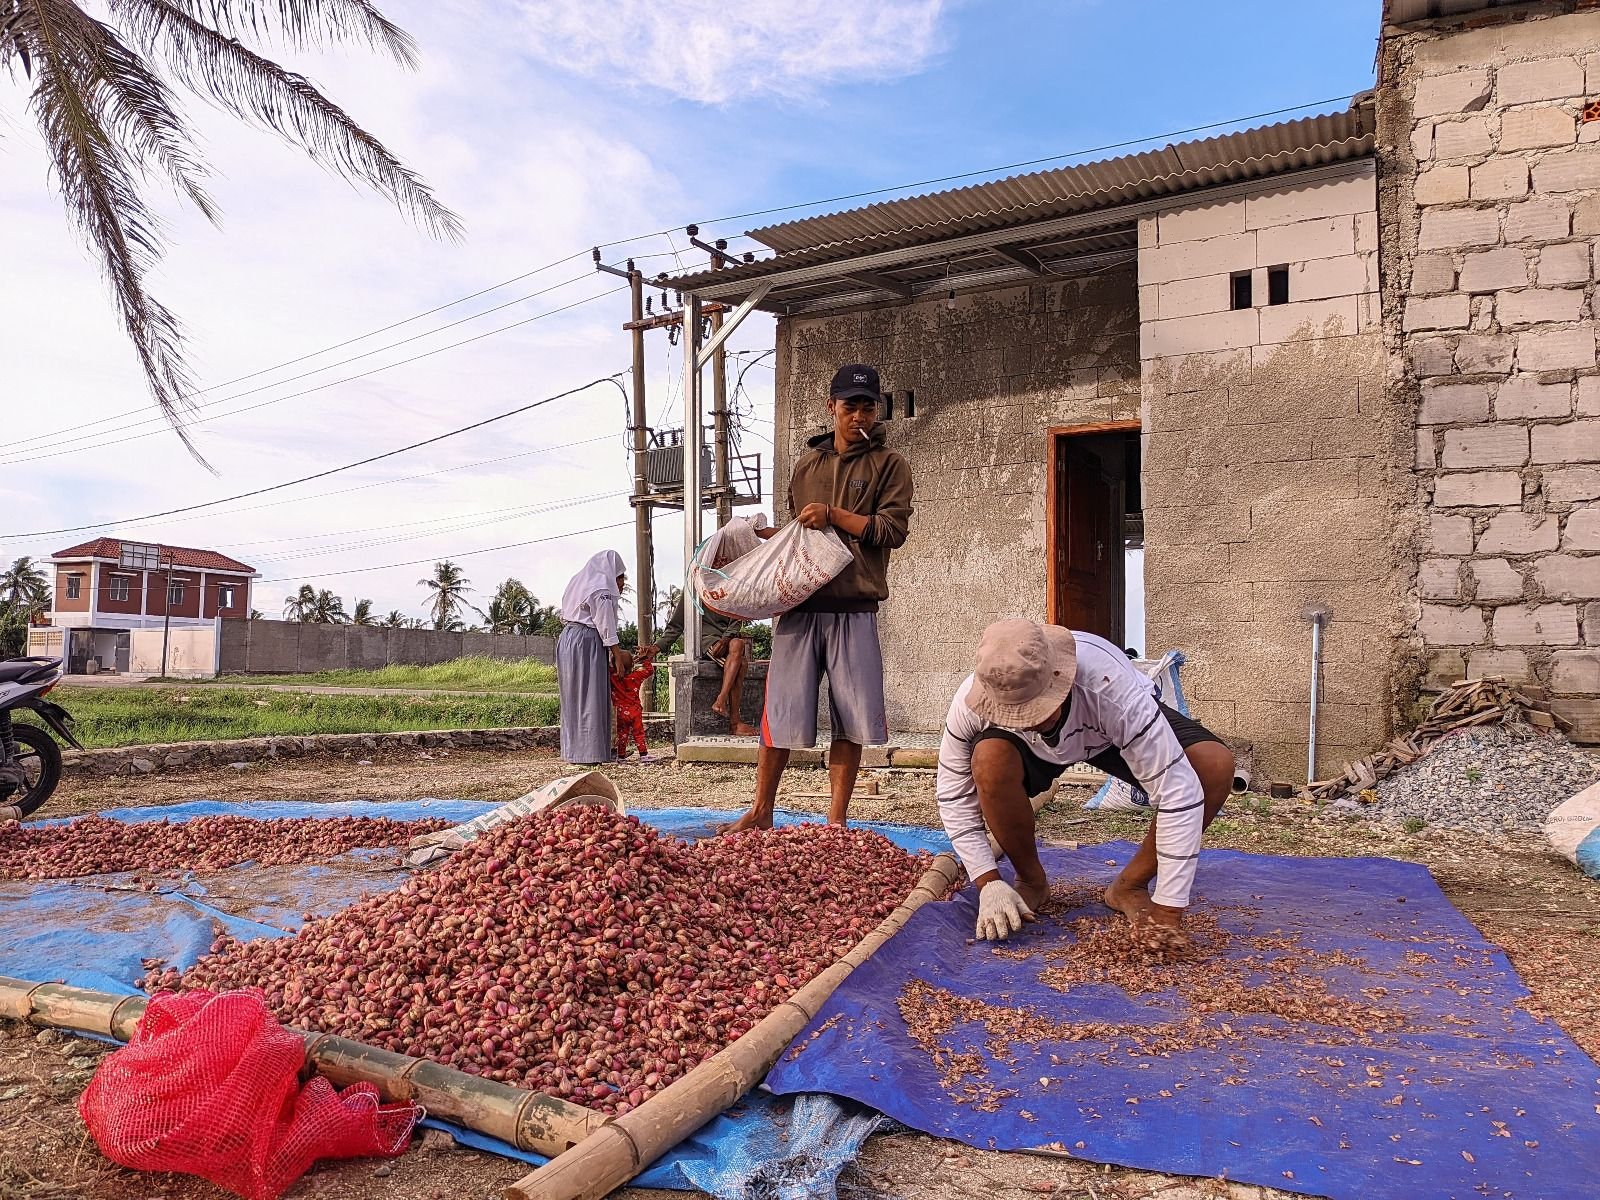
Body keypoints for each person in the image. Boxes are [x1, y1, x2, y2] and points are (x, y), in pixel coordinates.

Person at [935, 618, 1234, 941]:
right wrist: (987, 880)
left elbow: (1177, 790)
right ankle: (1031, 880)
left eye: (1035, 712)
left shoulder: (1111, 688)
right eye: (1015, 716)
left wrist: (1168, 907)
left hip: (1107, 735)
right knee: (989, 758)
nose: (1028, 722)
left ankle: (1130, 885)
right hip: (1032, 753)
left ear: (1059, 681)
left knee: (1211, 766)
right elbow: (953, 795)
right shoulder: (972, 700)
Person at [722, 363, 913, 832]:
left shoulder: (890, 465)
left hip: (854, 604)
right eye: (851, 406)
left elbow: (891, 532)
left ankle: (836, 821)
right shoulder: (807, 464)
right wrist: (756, 538)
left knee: (850, 717)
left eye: (869, 406)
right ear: (832, 408)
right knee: (779, 711)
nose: (861, 416)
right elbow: (797, 536)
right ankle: (761, 811)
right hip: (798, 606)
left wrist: (833, 515)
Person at [647, 595, 757, 736]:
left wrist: (725, 639)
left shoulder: (730, 585)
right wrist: (656, 647)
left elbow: (737, 618)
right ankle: (734, 723)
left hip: (728, 639)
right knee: (740, 664)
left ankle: (721, 700)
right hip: (707, 641)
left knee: (738, 645)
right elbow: (676, 625)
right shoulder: (694, 589)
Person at [556, 549, 627, 765]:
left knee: (574, 696)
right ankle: (590, 753)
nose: (622, 584)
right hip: (587, 640)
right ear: (611, 572)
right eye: (621, 577)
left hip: (568, 638)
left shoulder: (578, 580)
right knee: (591, 695)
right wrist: (617, 655)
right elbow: (605, 624)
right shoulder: (601, 587)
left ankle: (575, 751)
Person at [610, 649, 657, 763]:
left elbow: (608, 668)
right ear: (632, 664)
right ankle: (643, 755)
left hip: (620, 711)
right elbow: (649, 670)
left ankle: (620, 756)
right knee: (638, 733)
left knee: (622, 734)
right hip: (635, 710)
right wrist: (644, 659)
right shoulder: (636, 676)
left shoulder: (613, 677)